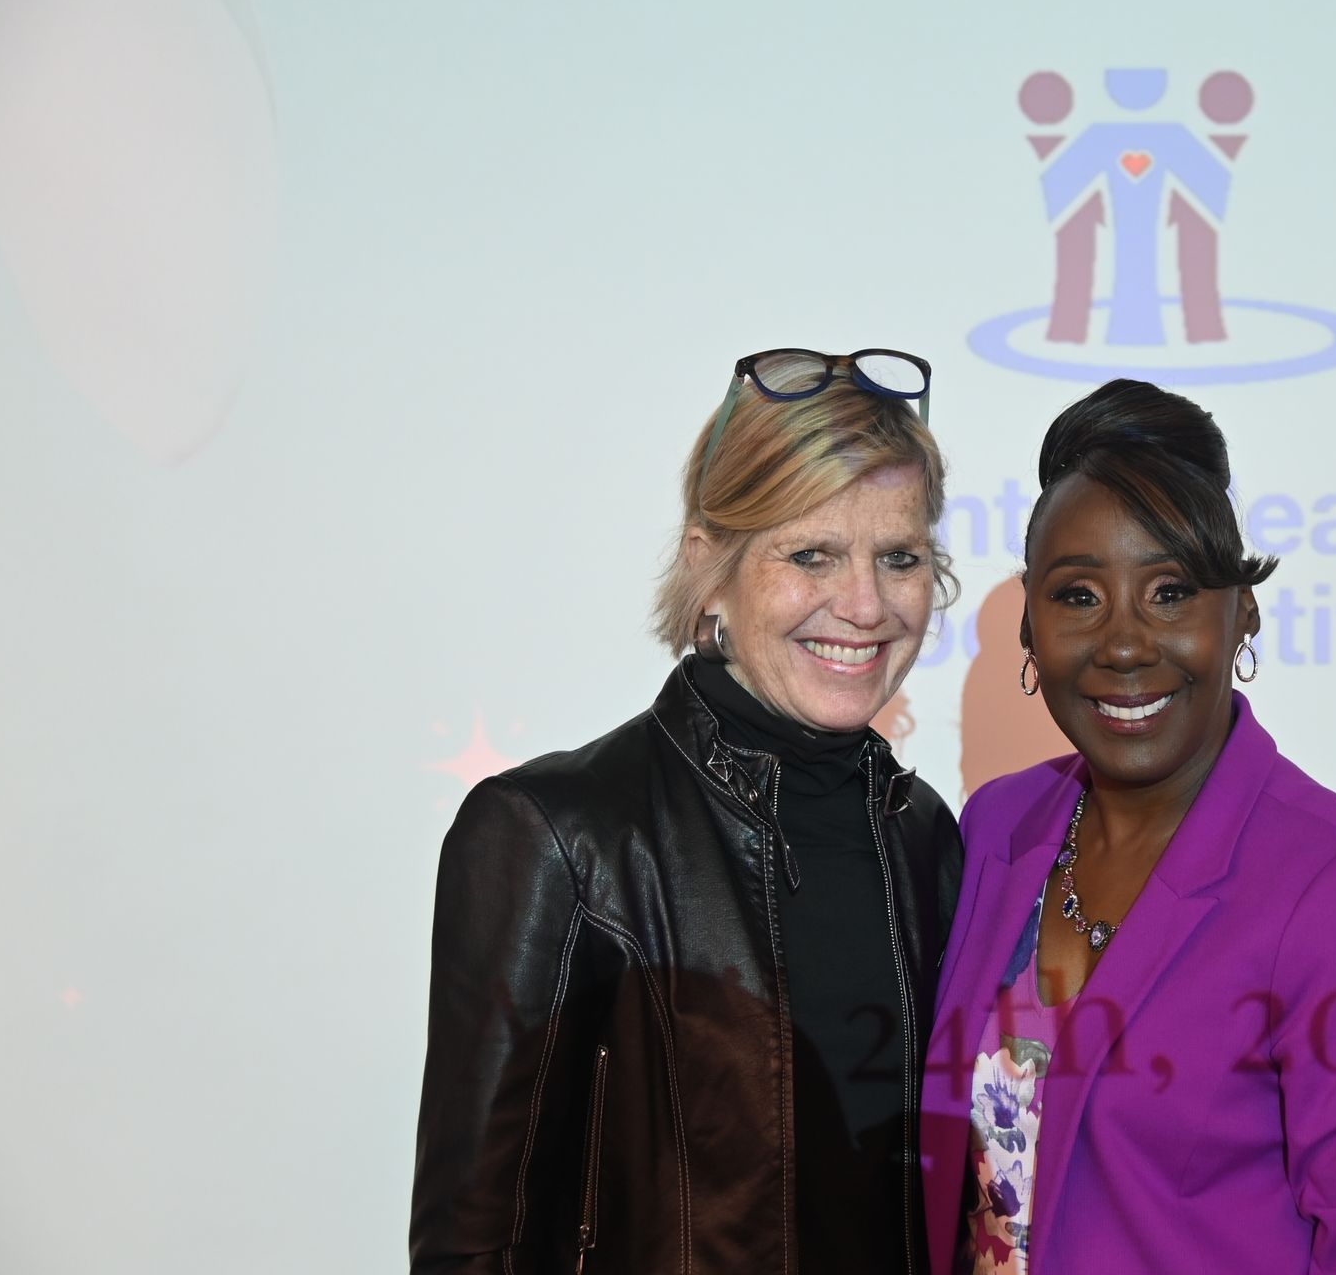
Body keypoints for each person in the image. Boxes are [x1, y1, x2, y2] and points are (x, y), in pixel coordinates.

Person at [412, 349, 964, 1275]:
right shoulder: (555, 837)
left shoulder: (922, 837)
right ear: (711, 568)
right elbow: (476, 1247)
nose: (866, 605)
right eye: (812, 555)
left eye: (898, 557)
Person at [919, 379, 1336, 1274]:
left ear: (1243, 613)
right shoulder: (997, 828)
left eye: (1171, 591)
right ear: (1030, 623)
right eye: (1078, 596)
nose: (1124, 643)